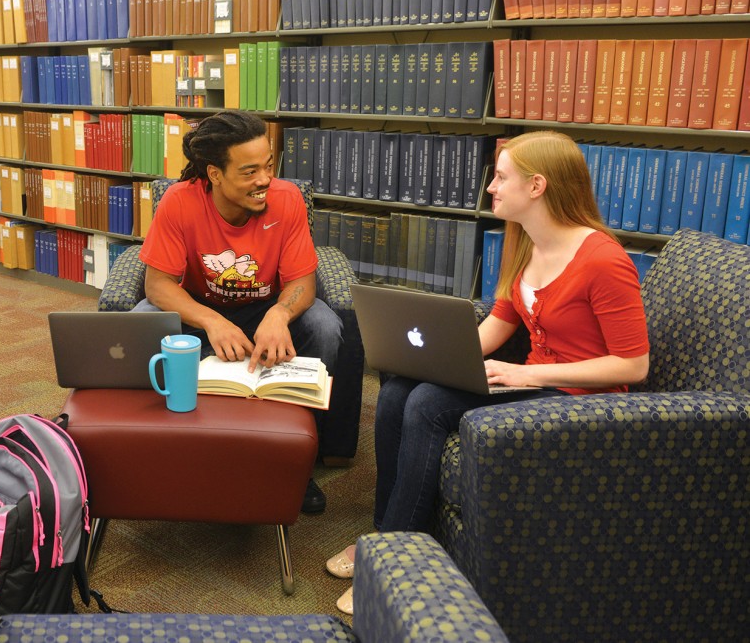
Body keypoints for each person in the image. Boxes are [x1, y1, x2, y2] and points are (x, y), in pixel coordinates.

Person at [326, 130, 650, 613]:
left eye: (500, 177)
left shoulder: (603, 260)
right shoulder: (524, 242)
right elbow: (502, 320)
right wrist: (437, 359)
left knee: (428, 405)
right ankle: (384, 535)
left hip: (580, 400)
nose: (490, 188)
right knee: (397, 391)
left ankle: (395, 562)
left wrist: (527, 376)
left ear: (537, 186)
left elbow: (633, 364)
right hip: (536, 381)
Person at [133, 111, 343, 514]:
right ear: (214, 174)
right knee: (144, 319)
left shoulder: (287, 200)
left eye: (268, 166)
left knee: (324, 325)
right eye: (249, 172)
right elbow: (157, 285)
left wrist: (279, 315)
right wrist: (211, 321)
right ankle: (164, 454)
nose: (264, 179)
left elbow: (303, 283)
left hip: (265, 310)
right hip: (200, 311)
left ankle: (298, 460)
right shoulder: (180, 202)